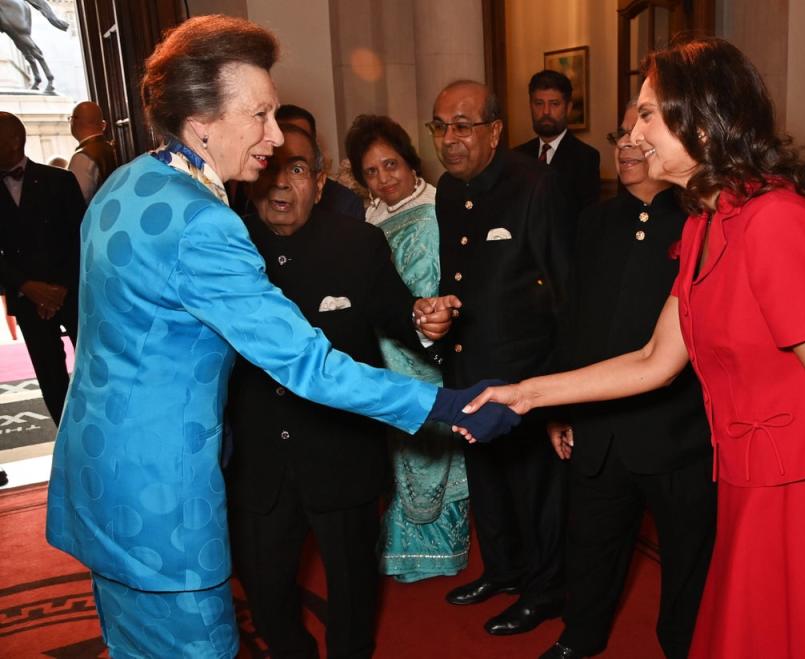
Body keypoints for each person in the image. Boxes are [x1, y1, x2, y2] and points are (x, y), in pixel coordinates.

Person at [43, 16, 516, 659]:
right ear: (202, 119)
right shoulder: (204, 223)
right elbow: (307, 365)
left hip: (101, 476)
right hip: (166, 500)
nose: (274, 134)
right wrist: (441, 405)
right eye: (259, 114)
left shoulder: (127, 182)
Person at [463, 37, 805, 659]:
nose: (634, 131)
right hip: (744, 483)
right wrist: (526, 394)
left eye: (648, 113)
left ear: (701, 119)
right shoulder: (703, 222)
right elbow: (654, 360)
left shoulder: (775, 221)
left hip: (799, 492)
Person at [227, 122, 449, 658]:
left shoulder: (357, 243)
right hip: (257, 460)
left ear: (321, 182)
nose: (282, 183)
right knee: (265, 590)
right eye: (272, 169)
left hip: (341, 453)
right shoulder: (226, 244)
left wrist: (427, 322)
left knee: (352, 592)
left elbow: (399, 317)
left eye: (298, 169)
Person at [539, 102, 715, 659]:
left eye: (644, 132)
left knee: (689, 558)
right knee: (590, 543)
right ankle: (579, 638)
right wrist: (558, 406)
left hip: (678, 431)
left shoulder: (699, 222)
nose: (629, 144)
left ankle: (681, 648)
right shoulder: (594, 220)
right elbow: (574, 319)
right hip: (599, 424)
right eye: (622, 133)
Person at [429, 80, 572, 635]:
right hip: (468, 371)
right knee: (487, 481)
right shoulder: (446, 190)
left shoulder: (537, 186)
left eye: (462, 125)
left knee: (536, 491)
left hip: (528, 377)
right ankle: (504, 570)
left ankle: (545, 591)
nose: (449, 139)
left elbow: (565, 294)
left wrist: (559, 393)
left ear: (494, 131)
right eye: (440, 126)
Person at [345, 114, 470, 583]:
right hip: (383, 349)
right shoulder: (372, 214)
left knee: (429, 446)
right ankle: (400, 548)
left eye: (391, 164)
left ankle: (442, 554)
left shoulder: (437, 208)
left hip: (422, 347)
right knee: (396, 452)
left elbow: (427, 284)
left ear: (410, 161)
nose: (384, 178)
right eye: (372, 172)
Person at [0, 111, 86, 426]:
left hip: (70, 292)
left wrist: (60, 288)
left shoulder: (59, 181)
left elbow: (81, 237)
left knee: (92, 366)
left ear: (14, 140)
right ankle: (67, 439)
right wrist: (27, 286)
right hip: (26, 297)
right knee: (50, 377)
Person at [514, 70, 600, 218]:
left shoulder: (585, 158)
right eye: (539, 103)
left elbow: (587, 220)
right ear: (530, 106)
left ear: (568, 108)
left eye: (554, 104)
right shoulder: (517, 156)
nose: (546, 112)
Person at [276, 103, 365, 220]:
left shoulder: (345, 203)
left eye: (301, 137)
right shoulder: (254, 197)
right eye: (283, 139)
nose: (292, 146)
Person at [67, 101, 118, 203]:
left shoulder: (82, 157)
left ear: (74, 121)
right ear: (103, 124)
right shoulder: (110, 147)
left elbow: (76, 200)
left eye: (70, 118)